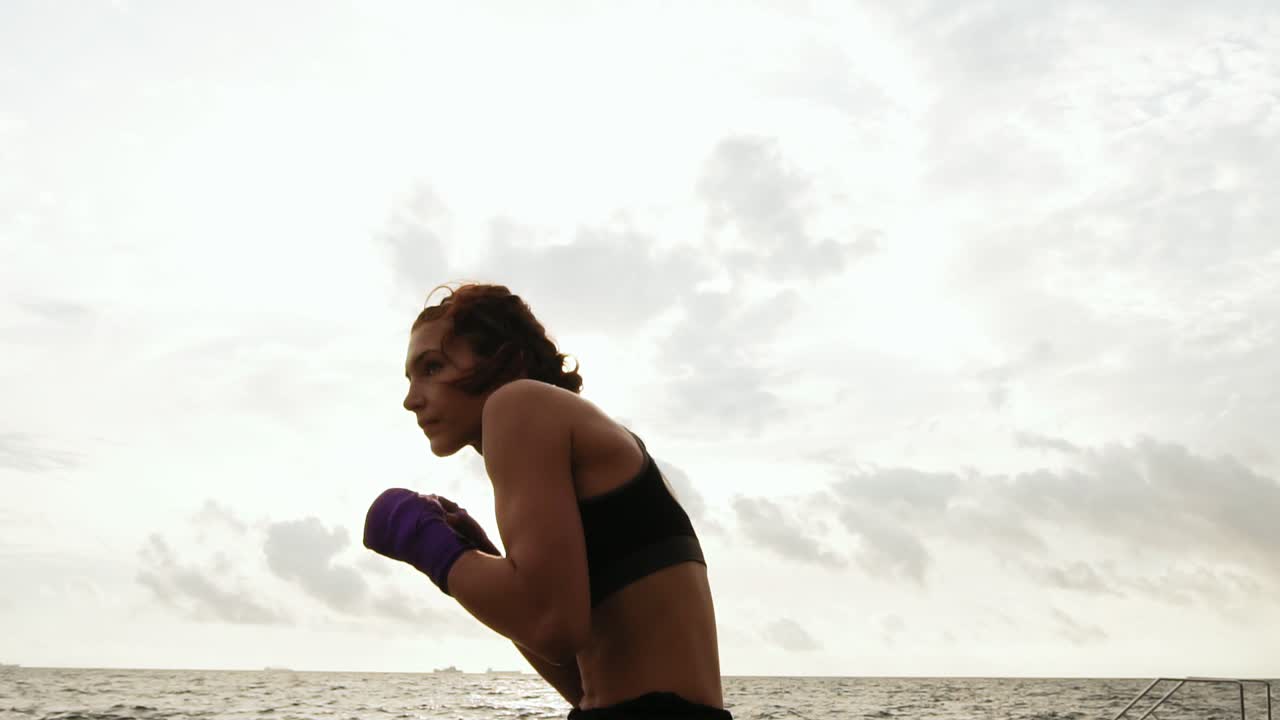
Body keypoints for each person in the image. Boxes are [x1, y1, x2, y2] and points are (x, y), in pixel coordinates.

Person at [363, 282, 732, 719]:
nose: (411, 400)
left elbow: (551, 624)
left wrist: (427, 541)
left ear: (506, 360)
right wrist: (479, 556)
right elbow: (574, 672)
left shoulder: (518, 403)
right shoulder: (569, 432)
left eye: (432, 367)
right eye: (410, 378)